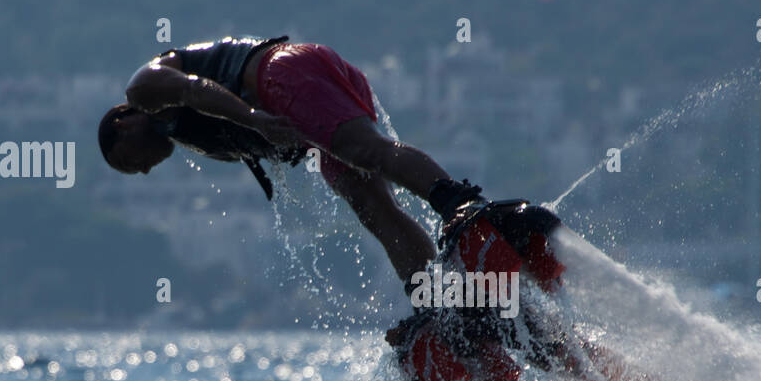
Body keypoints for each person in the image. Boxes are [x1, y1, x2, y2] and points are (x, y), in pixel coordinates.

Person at [97, 35, 483, 282]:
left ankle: (458, 203)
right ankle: (435, 302)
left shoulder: (143, 90)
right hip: (300, 99)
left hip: (282, 71)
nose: (144, 169)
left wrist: (252, 119)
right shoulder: (181, 133)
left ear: (124, 124)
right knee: (373, 209)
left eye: (131, 163)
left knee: (366, 151)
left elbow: (196, 90)